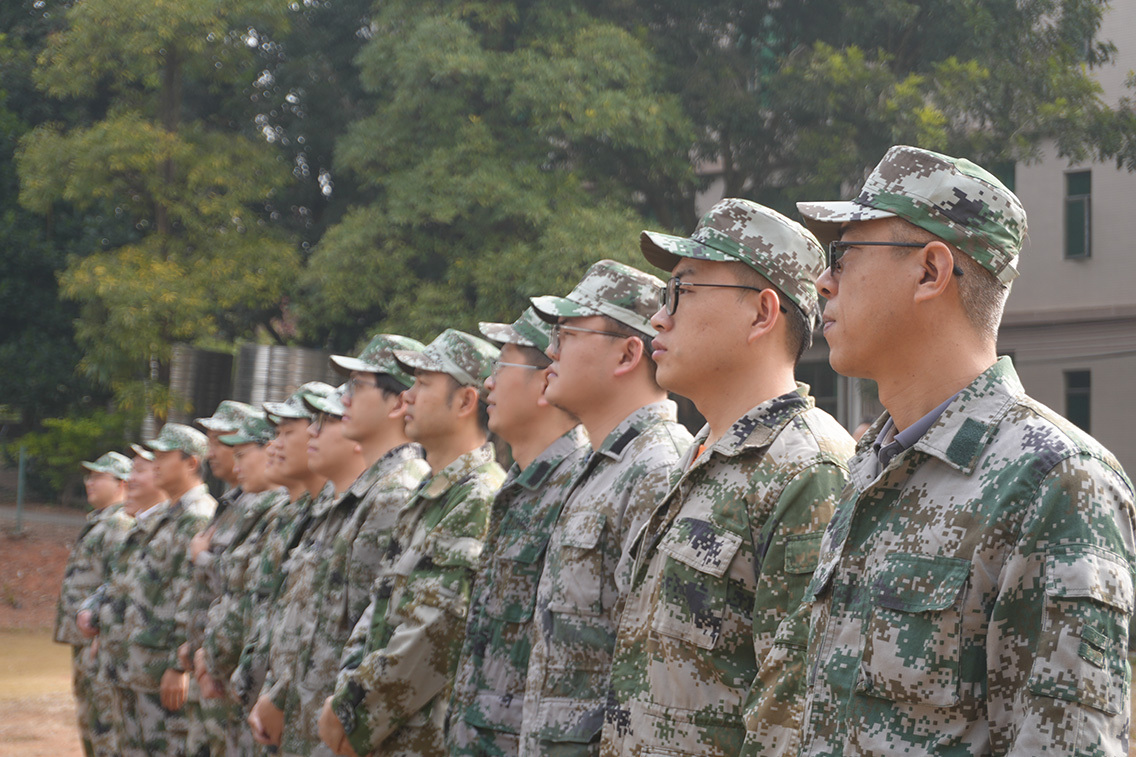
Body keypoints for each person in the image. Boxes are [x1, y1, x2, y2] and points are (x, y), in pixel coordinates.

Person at [795, 144, 1136, 755]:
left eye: (842, 255)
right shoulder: (871, 465)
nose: (823, 280)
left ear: (930, 271)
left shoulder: (1056, 480)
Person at [600, 199, 855, 757]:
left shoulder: (808, 468)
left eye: (682, 293)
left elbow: (793, 719)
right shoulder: (702, 453)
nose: (658, 318)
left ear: (762, 314)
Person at [520, 260, 693, 755]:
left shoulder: (656, 469)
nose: (550, 351)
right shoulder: (599, 467)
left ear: (627, 355)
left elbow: (654, 671)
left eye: (567, 333)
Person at [320, 329, 506, 756]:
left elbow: (435, 630)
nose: (407, 397)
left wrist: (354, 716)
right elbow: (377, 609)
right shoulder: (430, 494)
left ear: (464, 401)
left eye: (422, 385)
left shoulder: (478, 496)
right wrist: (346, 698)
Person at [253, 335, 430, 757]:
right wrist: (278, 694)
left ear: (396, 403)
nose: (344, 399)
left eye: (357, 386)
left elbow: (367, 629)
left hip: (335, 728)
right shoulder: (367, 492)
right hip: (306, 718)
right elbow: (313, 618)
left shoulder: (396, 492)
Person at [446, 308, 590, 756]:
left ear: (546, 379)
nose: (489, 383)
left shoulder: (579, 487)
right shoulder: (516, 487)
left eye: (501, 366)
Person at [182, 401, 275, 757]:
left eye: (225, 441)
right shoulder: (233, 504)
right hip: (211, 664)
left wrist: (202, 558)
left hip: (234, 673)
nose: (214, 452)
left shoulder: (268, 508)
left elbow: (246, 590)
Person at [80, 444, 168, 757]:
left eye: (139, 471)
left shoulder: (123, 524)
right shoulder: (135, 525)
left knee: (114, 734)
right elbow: (116, 584)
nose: (89, 483)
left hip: (139, 657)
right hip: (113, 644)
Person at [55, 451, 134, 757]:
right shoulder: (101, 521)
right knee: (90, 719)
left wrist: (102, 633)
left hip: (98, 640)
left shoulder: (118, 524)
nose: (90, 482)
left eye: (99, 476)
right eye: (89, 476)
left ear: (121, 483)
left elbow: (118, 583)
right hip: (85, 639)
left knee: (105, 722)